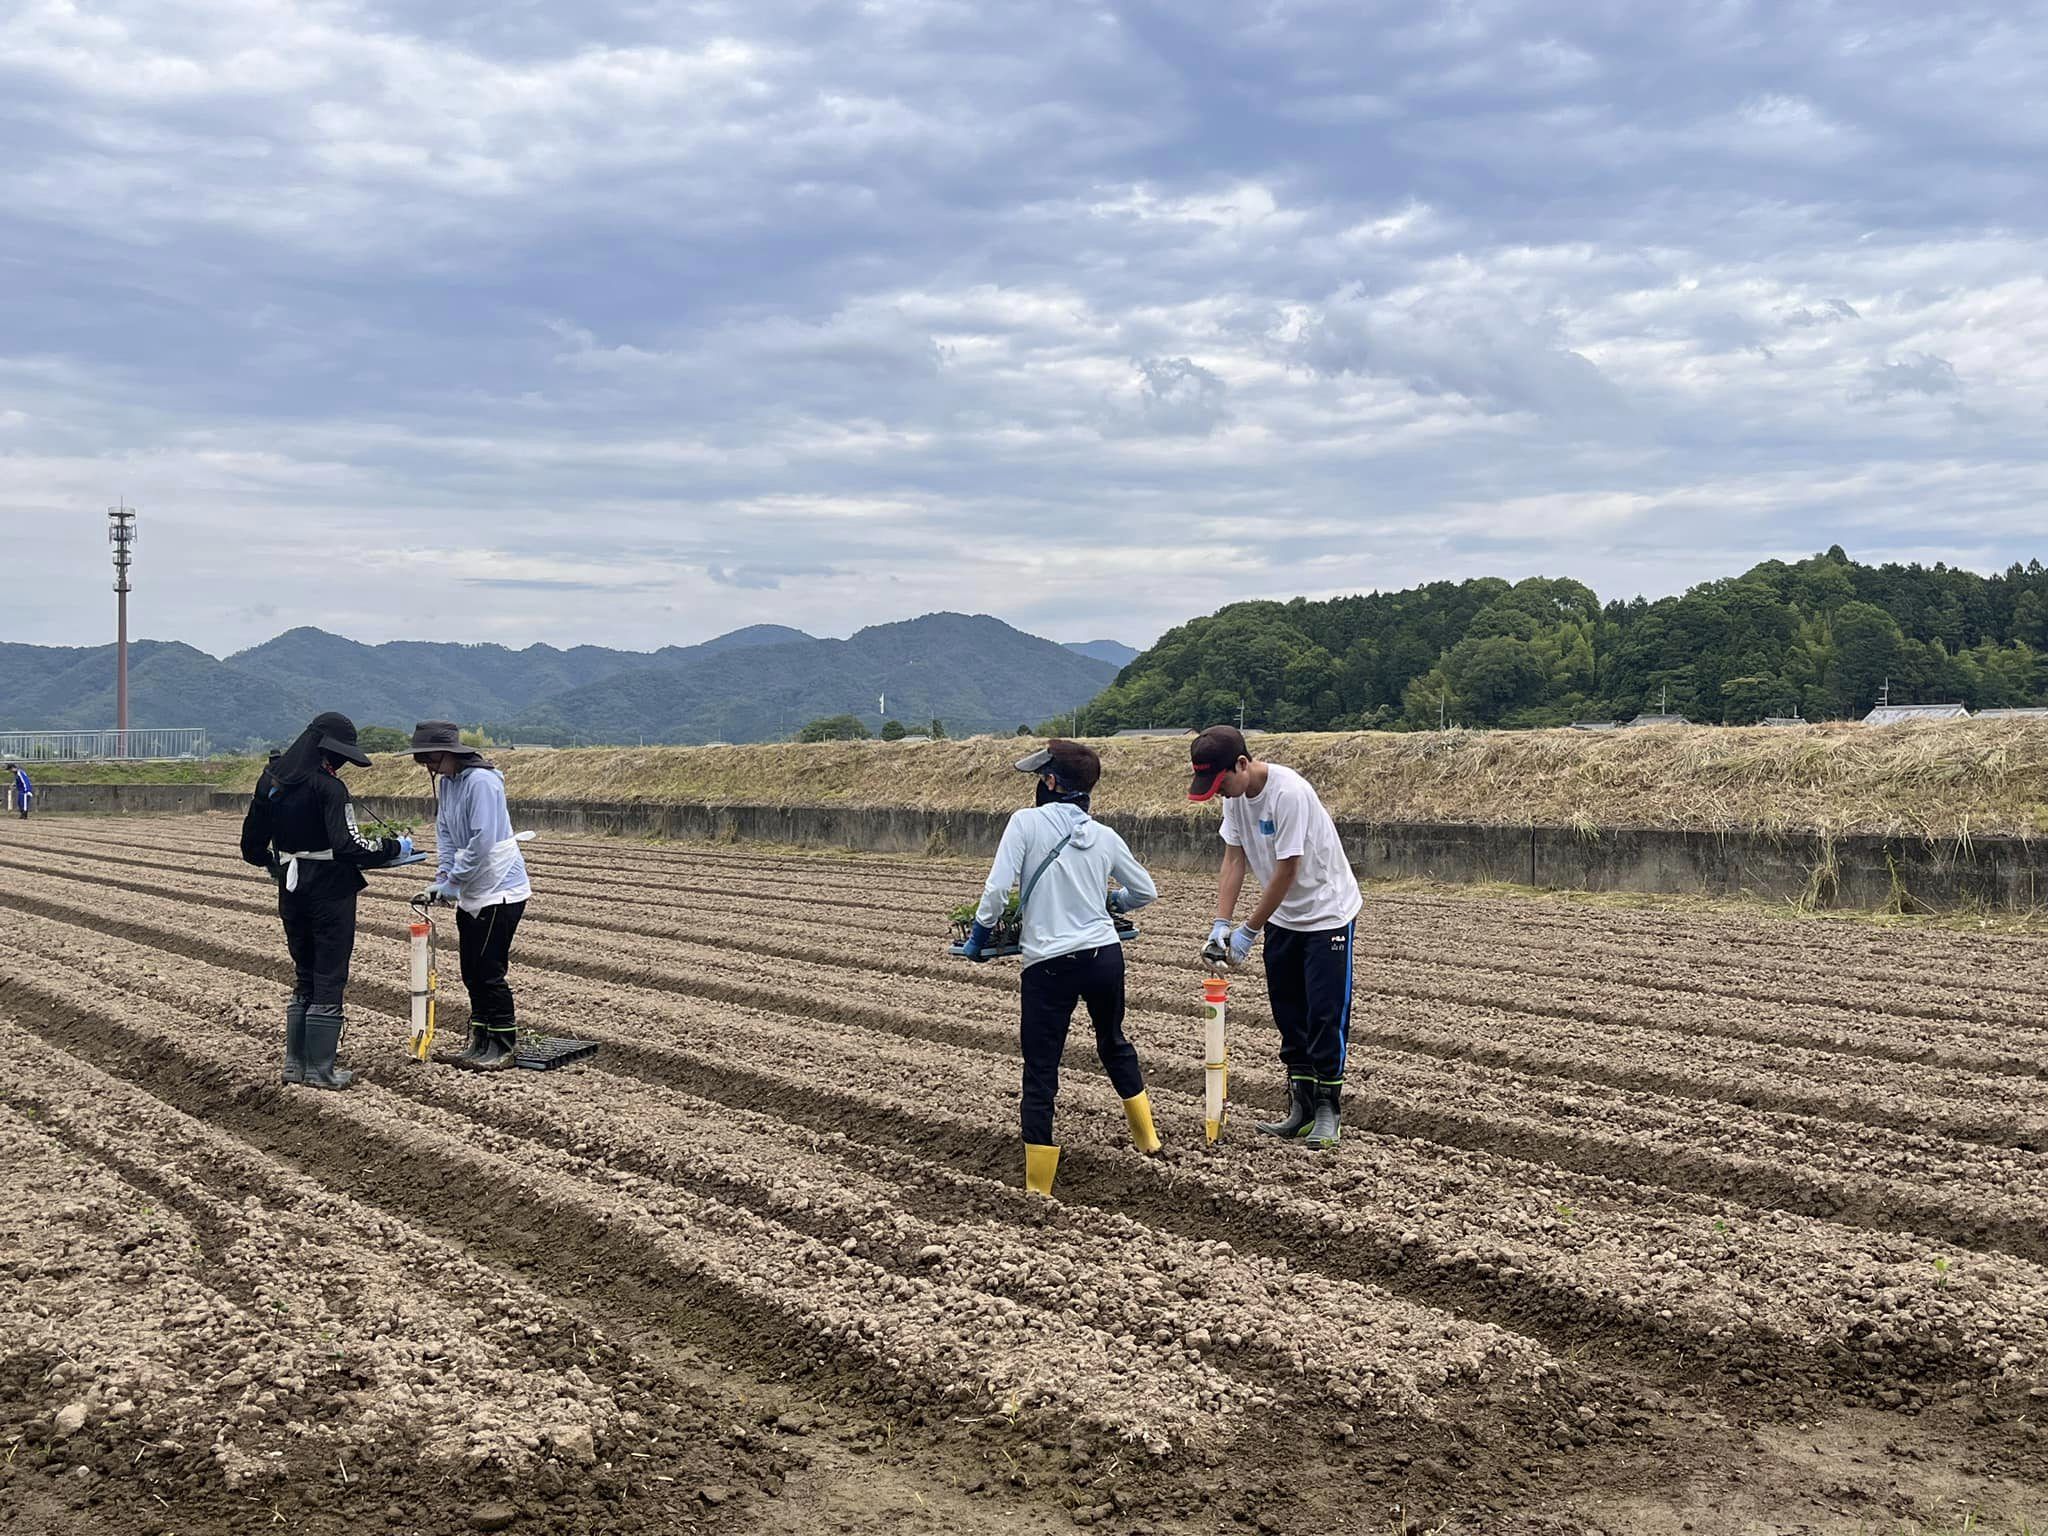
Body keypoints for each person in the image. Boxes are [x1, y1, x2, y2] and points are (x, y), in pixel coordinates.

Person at [960, 739, 1160, 1196]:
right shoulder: (1104, 835)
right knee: (1113, 1042)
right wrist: (1114, 901)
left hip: (1048, 964)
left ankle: (1039, 1187)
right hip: (1104, 957)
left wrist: (978, 936)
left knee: (1042, 1066)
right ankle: (1148, 1141)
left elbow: (996, 890)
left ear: (1051, 782)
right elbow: (1146, 892)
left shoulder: (1024, 823)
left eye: (1040, 777)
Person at [1188, 725, 1361, 1149]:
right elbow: (1233, 860)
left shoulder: (1289, 794)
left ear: (1242, 764)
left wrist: (1247, 931)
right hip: (1283, 918)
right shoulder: (1234, 800)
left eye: (1222, 782)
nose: (1220, 793)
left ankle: (1327, 1108)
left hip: (1325, 915)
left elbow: (1288, 870)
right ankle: (1299, 1106)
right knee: (1288, 1012)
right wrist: (1220, 924)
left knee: (1324, 1014)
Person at [239, 713, 408, 1089]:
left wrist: (275, 864)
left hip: (291, 888)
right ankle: (321, 1070)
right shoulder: (328, 788)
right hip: (330, 891)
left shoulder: (271, 780)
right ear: (327, 752)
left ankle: (294, 1065)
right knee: (329, 974)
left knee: (304, 973)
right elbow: (348, 845)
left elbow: (251, 846)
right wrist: (393, 847)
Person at [409, 722, 531, 1071]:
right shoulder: (448, 784)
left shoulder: (482, 781)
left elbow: (482, 840)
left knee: (488, 969)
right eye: (423, 761)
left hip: (500, 890)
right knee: (470, 970)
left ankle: (503, 1043)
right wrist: (443, 878)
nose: (428, 766)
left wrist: (454, 882)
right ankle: (479, 1040)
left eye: (431, 758)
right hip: (471, 887)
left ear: (450, 752)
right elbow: (446, 835)